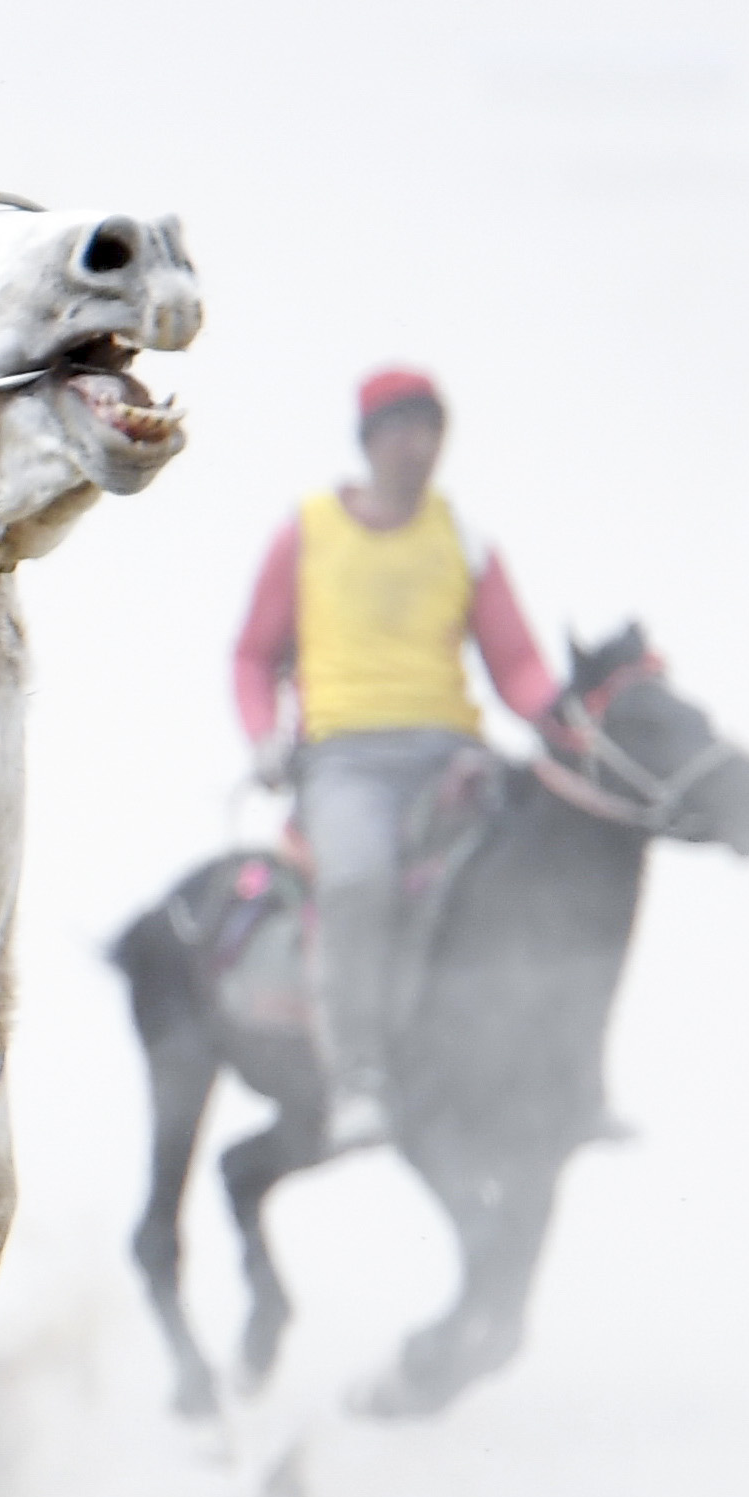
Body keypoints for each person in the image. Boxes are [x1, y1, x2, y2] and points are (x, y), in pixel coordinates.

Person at [230, 366, 559, 1150]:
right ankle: (358, 1078)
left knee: (542, 869)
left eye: (430, 430)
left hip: (451, 754)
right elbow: (252, 656)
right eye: (403, 429)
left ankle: (559, 1069)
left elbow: (515, 666)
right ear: (369, 441)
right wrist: (263, 738)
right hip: (346, 762)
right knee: (355, 882)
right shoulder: (306, 534)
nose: (419, 447)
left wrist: (563, 718)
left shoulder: (465, 542)